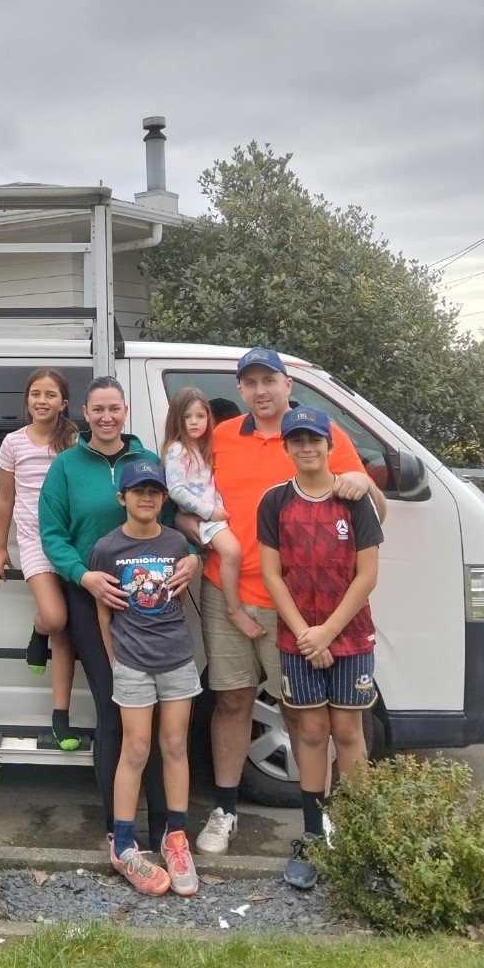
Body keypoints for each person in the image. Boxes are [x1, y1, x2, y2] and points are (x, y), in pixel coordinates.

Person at [174, 346, 387, 856]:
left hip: (297, 602)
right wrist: (202, 535)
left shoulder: (320, 435)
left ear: (288, 384)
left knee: (300, 712)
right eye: (249, 383)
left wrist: (362, 481)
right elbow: (180, 500)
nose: (260, 391)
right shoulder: (221, 437)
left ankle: (327, 823)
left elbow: (372, 510)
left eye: (269, 380)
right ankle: (225, 809)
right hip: (227, 592)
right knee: (231, 700)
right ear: (240, 392)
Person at [38, 375, 199, 851]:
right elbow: (51, 534)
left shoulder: (147, 463)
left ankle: (164, 831)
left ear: (125, 412)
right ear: (84, 415)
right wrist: (82, 575)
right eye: (97, 410)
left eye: (115, 409)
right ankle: (118, 829)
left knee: (156, 725)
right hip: (93, 601)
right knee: (115, 709)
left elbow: (174, 524)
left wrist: (194, 557)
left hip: (151, 607)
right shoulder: (65, 467)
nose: (106, 418)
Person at [258, 404, 383, 889]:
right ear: (286, 448)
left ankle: (360, 838)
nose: (307, 447)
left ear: (330, 445)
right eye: (297, 440)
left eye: (315, 439)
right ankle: (312, 837)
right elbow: (272, 574)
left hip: (349, 635)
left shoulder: (354, 499)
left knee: (348, 734)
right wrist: (306, 636)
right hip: (297, 638)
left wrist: (327, 632)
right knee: (309, 734)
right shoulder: (274, 502)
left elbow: (367, 575)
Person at [91, 459, 202, 898]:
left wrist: (193, 557)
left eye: (155, 491)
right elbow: (104, 610)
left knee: (174, 745)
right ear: (122, 498)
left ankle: (176, 838)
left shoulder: (176, 542)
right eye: (138, 491)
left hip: (176, 658)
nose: (146, 498)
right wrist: (116, 660)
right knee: (135, 748)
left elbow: (190, 576)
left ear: (163, 499)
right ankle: (122, 844)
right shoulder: (106, 548)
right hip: (133, 663)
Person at [0, 367, 81, 750]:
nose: (42, 400)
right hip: (34, 540)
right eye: (36, 393)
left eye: (51, 394)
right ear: (27, 400)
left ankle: (61, 717)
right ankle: (38, 631)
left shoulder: (72, 440)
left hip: (70, 539)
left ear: (64, 403)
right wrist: (0, 548)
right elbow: (5, 498)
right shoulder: (13, 443)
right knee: (55, 618)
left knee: (66, 631)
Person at [161, 387, 262, 643]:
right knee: (232, 552)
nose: (195, 422)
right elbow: (176, 490)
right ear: (176, 419)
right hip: (204, 517)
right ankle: (233, 609)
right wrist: (209, 511)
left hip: (214, 513)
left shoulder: (202, 447)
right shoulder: (177, 450)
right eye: (187, 417)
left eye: (200, 416)